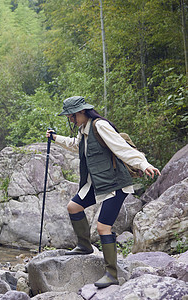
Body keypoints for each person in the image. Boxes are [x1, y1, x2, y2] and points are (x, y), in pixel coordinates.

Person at [46, 96, 160, 288]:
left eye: (72, 116)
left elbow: (121, 148)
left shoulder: (100, 126)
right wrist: (55, 138)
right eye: (69, 117)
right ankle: (84, 246)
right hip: (97, 183)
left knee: (102, 228)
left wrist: (143, 164)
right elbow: (76, 145)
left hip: (114, 184)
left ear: (82, 112)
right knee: (73, 207)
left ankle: (111, 274)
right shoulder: (84, 129)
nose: (71, 120)